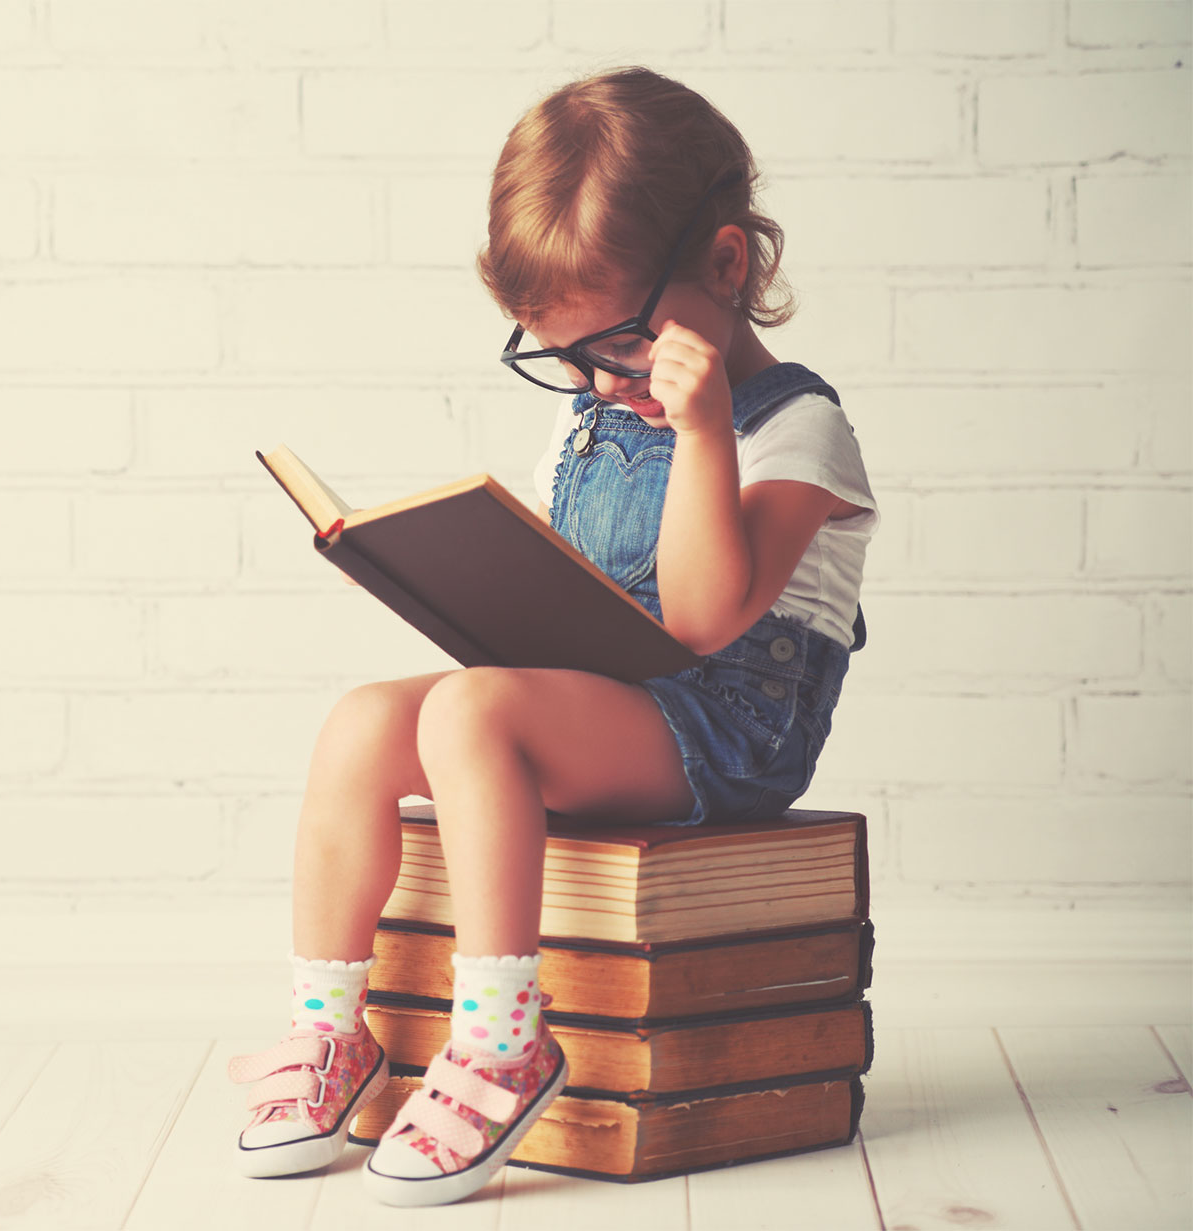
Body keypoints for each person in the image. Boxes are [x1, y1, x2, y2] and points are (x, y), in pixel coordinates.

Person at [226, 65, 878, 1208]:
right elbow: (569, 604)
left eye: (616, 348)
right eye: (560, 358)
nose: (591, 382)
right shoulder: (592, 425)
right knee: (367, 720)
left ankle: (502, 1038)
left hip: (727, 736)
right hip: (611, 703)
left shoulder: (797, 431)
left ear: (725, 267)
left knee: (474, 710)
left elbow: (703, 614)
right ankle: (332, 1031)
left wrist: (706, 424)